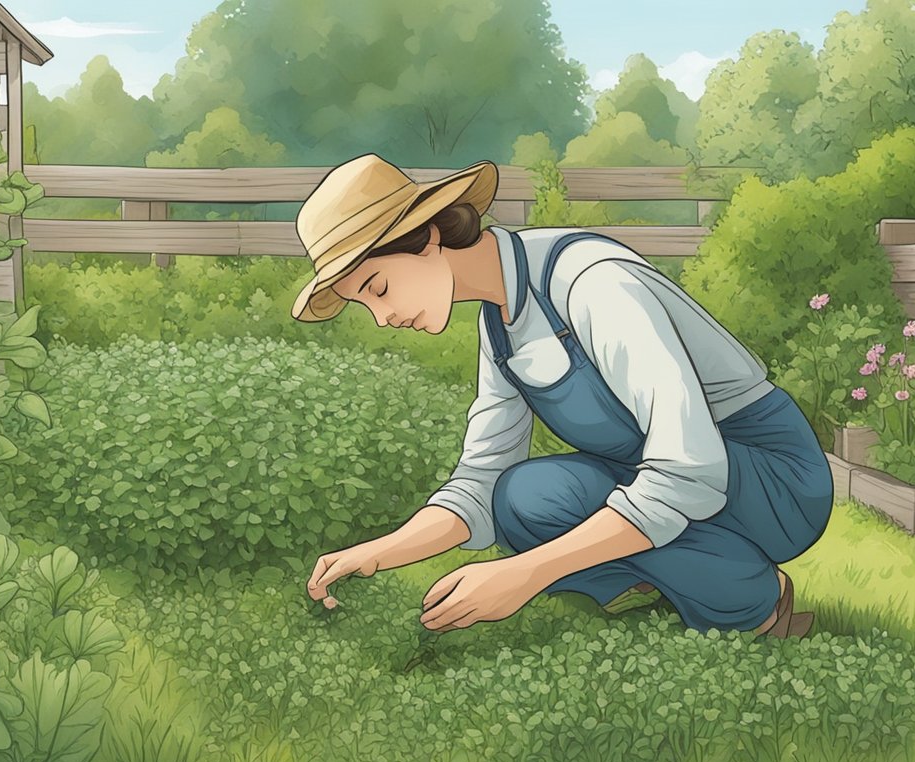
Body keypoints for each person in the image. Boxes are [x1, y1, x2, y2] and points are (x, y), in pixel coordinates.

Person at [293, 152, 833, 638]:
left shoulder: (592, 282)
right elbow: (482, 477)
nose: (383, 317)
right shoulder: (499, 323)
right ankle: (678, 574)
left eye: (379, 288)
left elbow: (687, 466)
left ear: (428, 236)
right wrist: (378, 552)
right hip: (659, 468)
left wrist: (523, 574)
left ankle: (754, 604)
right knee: (522, 498)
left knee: (571, 510)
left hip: (767, 476)